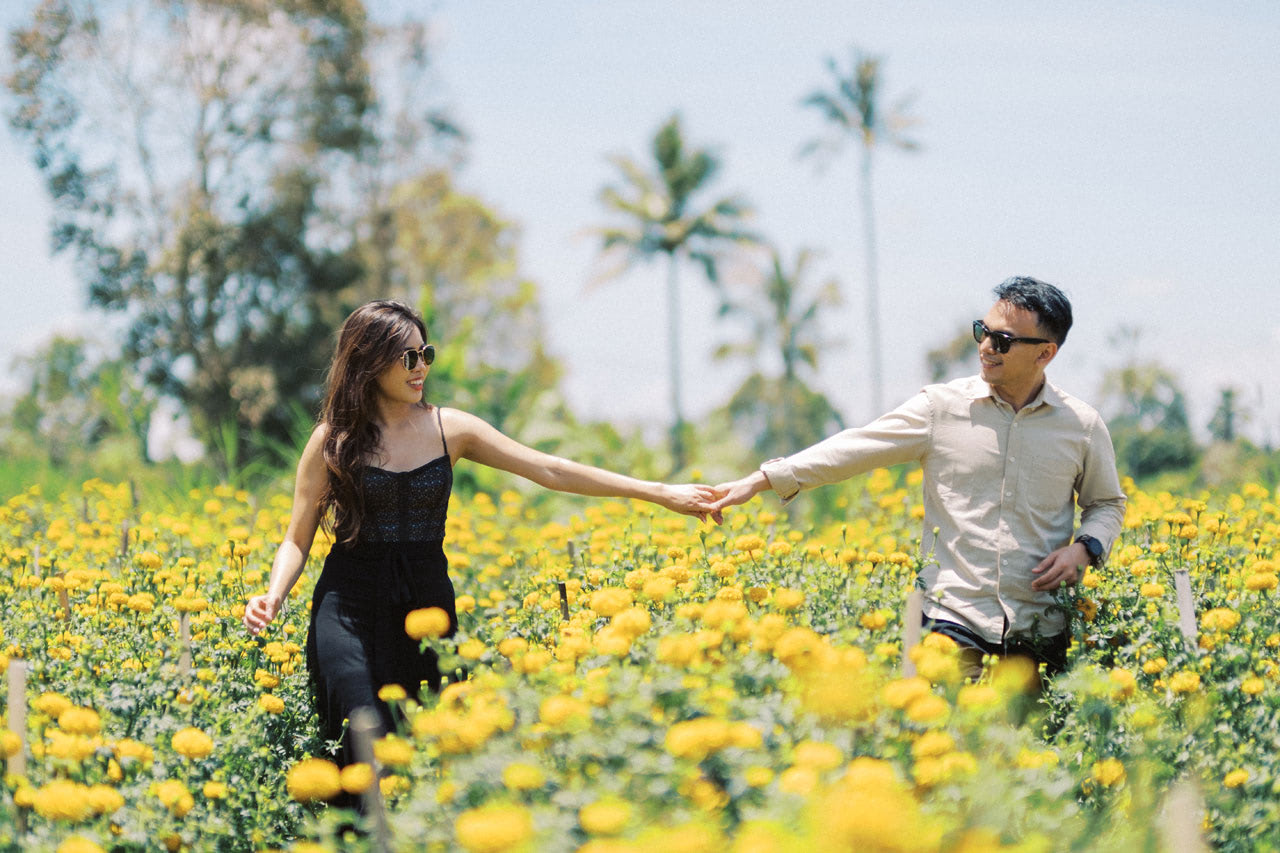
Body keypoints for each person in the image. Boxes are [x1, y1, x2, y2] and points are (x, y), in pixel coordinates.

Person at [243, 300, 718, 766]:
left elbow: (550, 470)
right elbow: (296, 538)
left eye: (425, 354)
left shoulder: (451, 430)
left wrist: (659, 492)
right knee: (360, 729)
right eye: (408, 357)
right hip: (347, 606)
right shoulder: (332, 440)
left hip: (425, 605)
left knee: (422, 743)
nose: (421, 368)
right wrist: (273, 594)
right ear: (369, 362)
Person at [708, 276, 1126, 683]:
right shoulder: (940, 409)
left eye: (1002, 341)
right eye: (982, 332)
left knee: (1030, 748)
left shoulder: (1081, 426)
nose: (985, 347)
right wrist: (764, 479)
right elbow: (856, 447)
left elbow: (1106, 503)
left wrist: (1085, 550)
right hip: (953, 617)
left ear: (1045, 353)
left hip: (1040, 625)